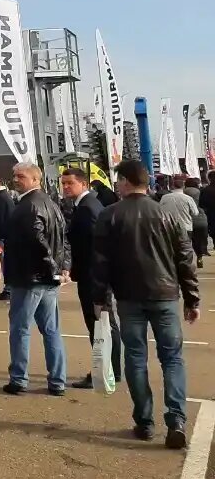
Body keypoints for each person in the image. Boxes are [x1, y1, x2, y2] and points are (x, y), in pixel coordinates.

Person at [92, 160, 199, 448]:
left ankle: (144, 420)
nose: (116, 186)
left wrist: (100, 298)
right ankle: (176, 419)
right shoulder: (165, 214)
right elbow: (185, 258)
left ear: (126, 181)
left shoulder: (110, 215)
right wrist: (192, 298)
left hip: (129, 297)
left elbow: (100, 262)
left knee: (136, 358)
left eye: (118, 181)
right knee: (172, 358)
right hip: (164, 295)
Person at [2, 162, 69, 396]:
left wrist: (54, 268)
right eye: (14, 175)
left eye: (20, 176)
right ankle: (58, 381)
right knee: (51, 330)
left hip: (30, 277)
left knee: (20, 328)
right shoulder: (51, 203)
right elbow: (62, 239)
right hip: (47, 278)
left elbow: (37, 241)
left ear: (35, 179)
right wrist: (62, 268)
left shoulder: (27, 206)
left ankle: (19, 379)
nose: (15, 179)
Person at [59, 168, 121, 388]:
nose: (65, 187)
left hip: (93, 276)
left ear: (83, 184)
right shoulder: (84, 206)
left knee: (100, 323)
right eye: (63, 183)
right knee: (100, 323)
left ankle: (107, 369)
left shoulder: (87, 208)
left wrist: (98, 279)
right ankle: (109, 368)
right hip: (91, 274)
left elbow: (97, 246)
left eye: (70, 183)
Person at [184, 177, 208, 266]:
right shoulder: (201, 192)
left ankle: (189, 261)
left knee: (189, 241)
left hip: (187, 219)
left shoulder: (183, 192)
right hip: (200, 218)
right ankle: (200, 256)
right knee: (199, 240)